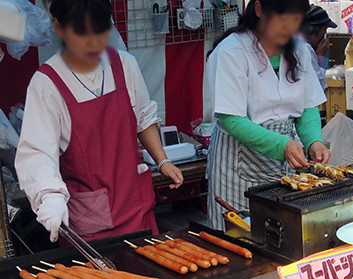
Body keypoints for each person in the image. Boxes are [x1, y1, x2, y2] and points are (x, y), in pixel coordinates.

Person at [15, 0, 183, 243]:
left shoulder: (126, 64)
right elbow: (38, 152)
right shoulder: (46, 83)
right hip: (88, 221)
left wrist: (163, 160)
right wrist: (50, 197)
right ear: (58, 27)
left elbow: (144, 118)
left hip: (136, 207)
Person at [204, 0, 330, 231]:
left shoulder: (300, 50)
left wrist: (314, 141)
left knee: (281, 236)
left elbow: (307, 106)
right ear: (260, 9)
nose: (288, 27)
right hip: (237, 167)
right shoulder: (231, 52)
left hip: (284, 161)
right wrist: (282, 145)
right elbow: (231, 119)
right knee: (239, 240)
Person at [299, 5, 337, 91]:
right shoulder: (305, 49)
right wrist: (321, 56)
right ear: (314, 29)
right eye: (324, 30)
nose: (324, 35)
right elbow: (319, 86)